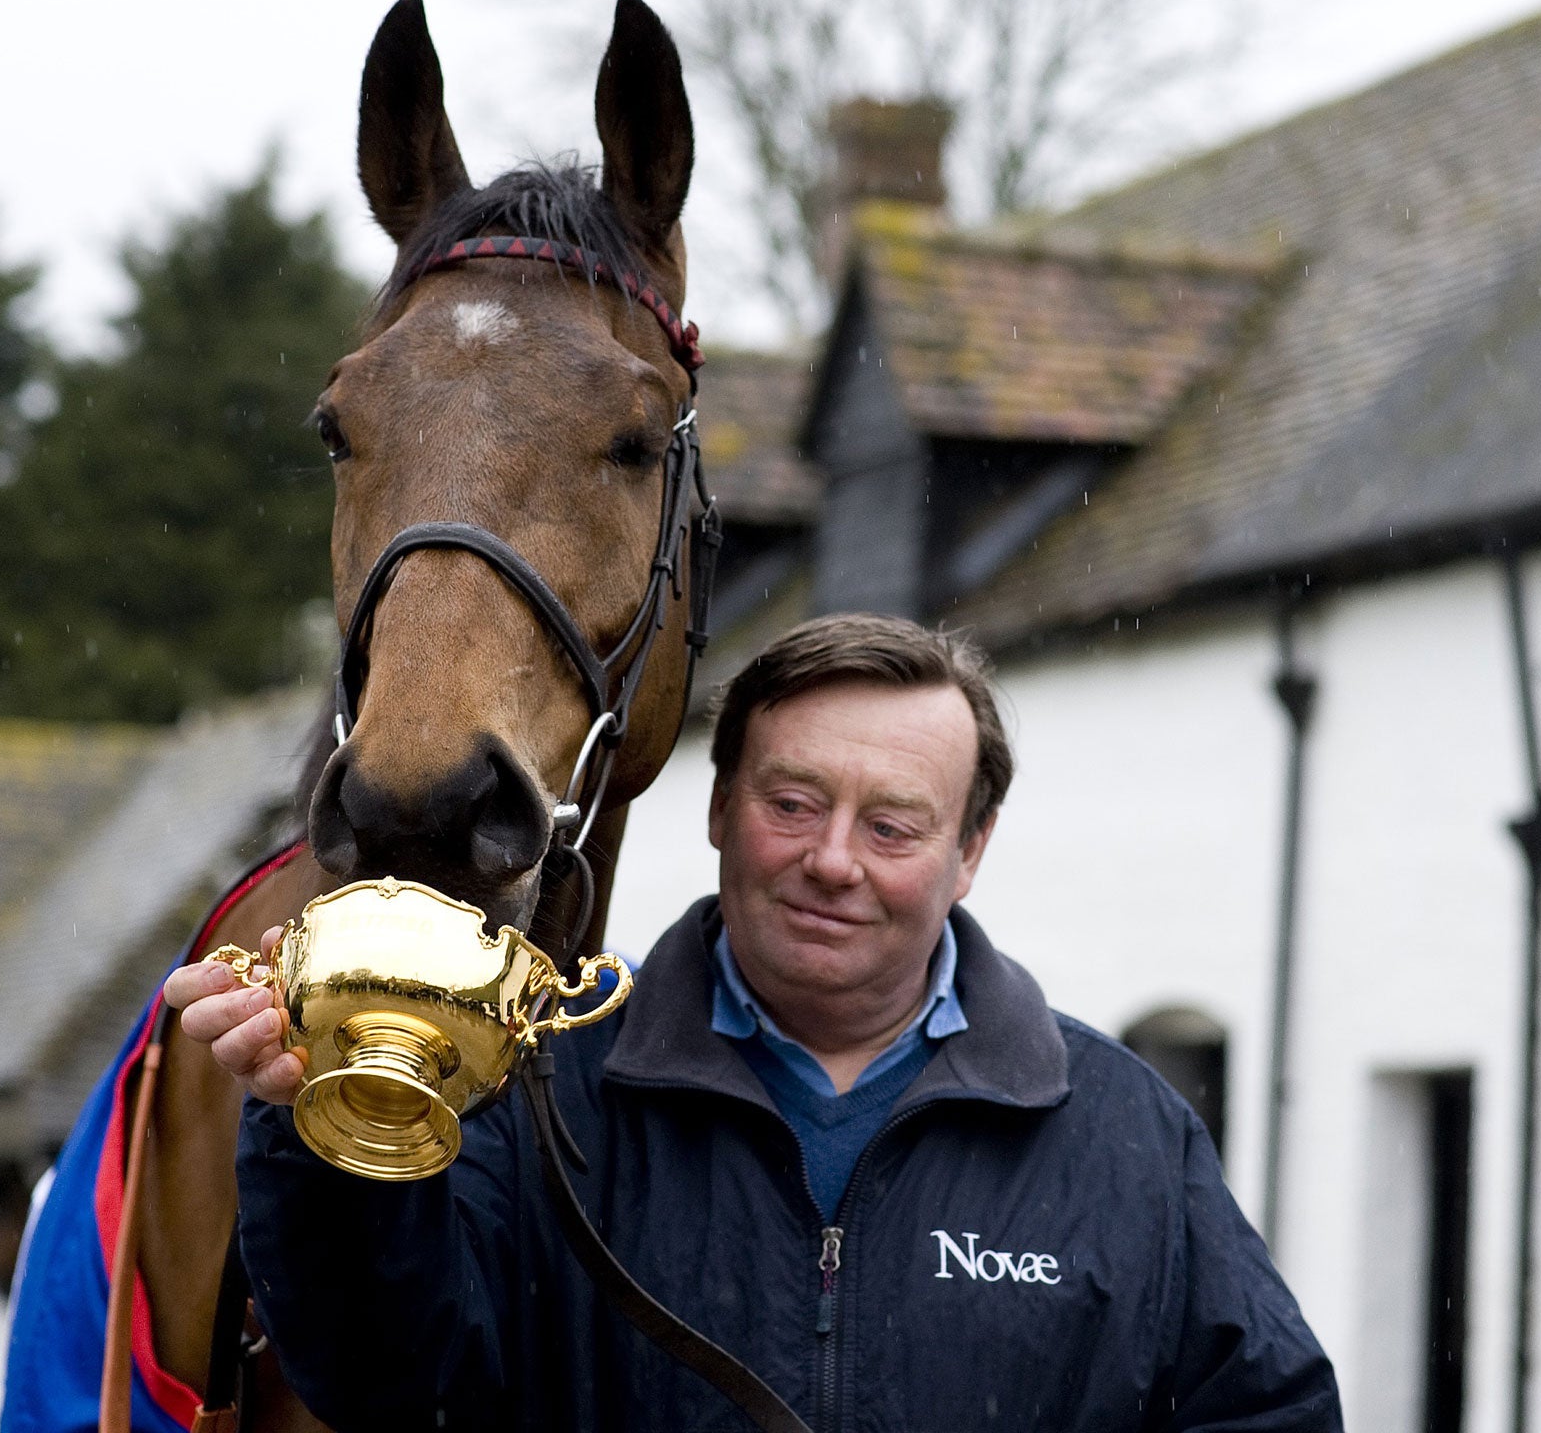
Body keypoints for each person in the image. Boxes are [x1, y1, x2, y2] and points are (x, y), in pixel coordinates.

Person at [165, 613, 1343, 1431]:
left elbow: (1267, 1412)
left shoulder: (1119, 1131)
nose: (834, 862)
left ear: (966, 852)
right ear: (721, 806)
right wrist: (329, 1129)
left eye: (891, 827)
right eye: (792, 803)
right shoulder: (536, 1082)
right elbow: (385, 1382)